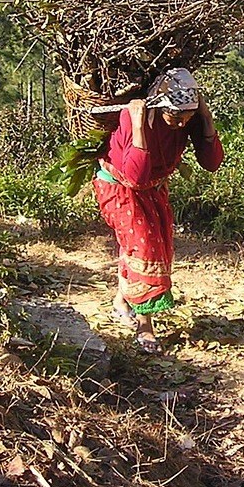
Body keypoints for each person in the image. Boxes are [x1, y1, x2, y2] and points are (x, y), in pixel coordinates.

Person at [94, 68, 223, 351]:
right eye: (174, 117)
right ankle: (145, 326)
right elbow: (136, 176)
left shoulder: (187, 119)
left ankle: (120, 301)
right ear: (159, 106)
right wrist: (139, 126)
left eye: (185, 117)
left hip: (153, 188)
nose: (179, 124)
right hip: (120, 187)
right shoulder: (135, 117)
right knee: (145, 249)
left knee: (142, 246)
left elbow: (212, 162)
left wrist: (205, 118)